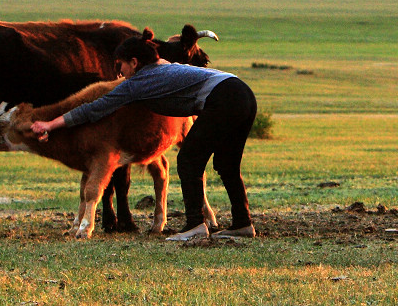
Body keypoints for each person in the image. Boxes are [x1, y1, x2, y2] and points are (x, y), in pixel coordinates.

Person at [31, 29, 257, 240]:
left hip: (224, 99)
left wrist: (50, 125)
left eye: (120, 65)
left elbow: (92, 109)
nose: (118, 72)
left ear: (134, 63)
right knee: (227, 165)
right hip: (241, 92)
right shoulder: (161, 67)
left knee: (188, 159)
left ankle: (195, 225)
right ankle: (242, 224)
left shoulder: (138, 82)